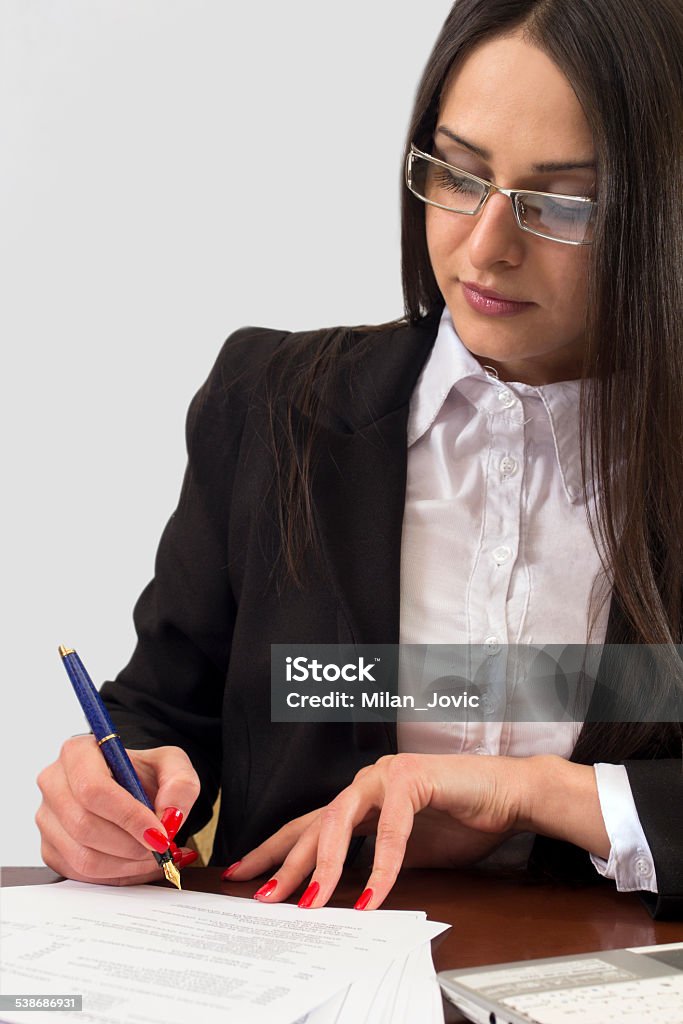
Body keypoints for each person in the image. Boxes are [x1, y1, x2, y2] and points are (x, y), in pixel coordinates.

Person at [36, 0, 683, 920]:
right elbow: (165, 716)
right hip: (308, 981)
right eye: (456, 175)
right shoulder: (271, 405)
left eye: (557, 202)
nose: (486, 246)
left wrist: (537, 793)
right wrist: (114, 793)